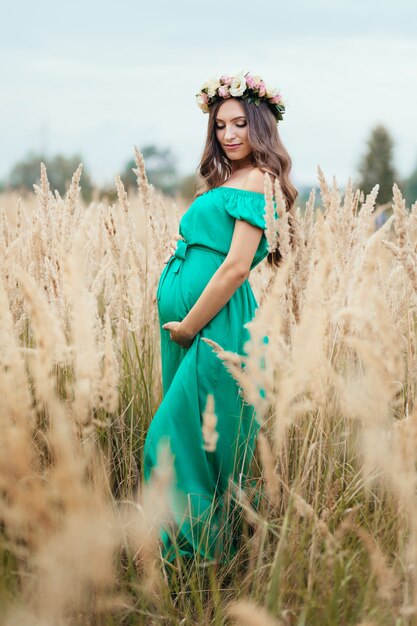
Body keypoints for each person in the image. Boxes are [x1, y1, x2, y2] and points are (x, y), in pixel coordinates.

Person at [143, 70, 297, 564]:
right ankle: (201, 564)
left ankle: (196, 558)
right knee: (197, 447)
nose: (229, 135)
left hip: (217, 327)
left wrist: (189, 325)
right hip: (193, 328)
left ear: (261, 128)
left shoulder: (260, 178)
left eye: (239, 125)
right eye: (220, 126)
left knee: (171, 442)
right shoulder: (227, 179)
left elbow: (233, 269)